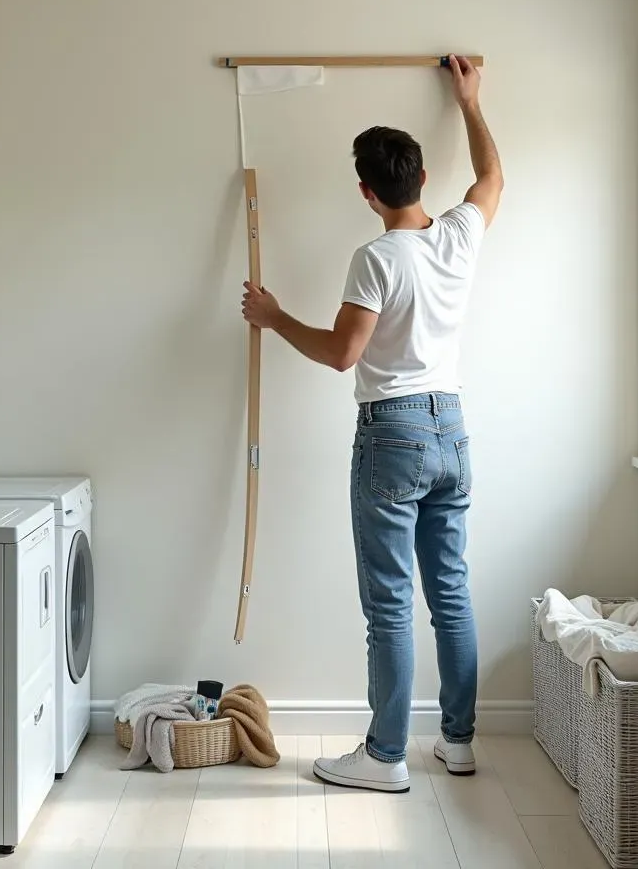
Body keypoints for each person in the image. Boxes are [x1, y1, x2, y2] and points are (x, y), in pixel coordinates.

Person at [241, 55, 503, 793]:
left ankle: (386, 756)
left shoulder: (377, 256)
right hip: (452, 427)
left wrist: (272, 314)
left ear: (367, 191)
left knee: (389, 602)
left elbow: (339, 353)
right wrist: (470, 102)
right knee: (448, 590)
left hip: (393, 434)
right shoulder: (457, 234)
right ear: (421, 180)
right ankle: (457, 743)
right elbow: (492, 179)